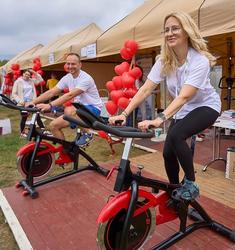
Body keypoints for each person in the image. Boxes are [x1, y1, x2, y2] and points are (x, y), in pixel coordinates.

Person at [109, 12, 221, 201]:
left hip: (206, 106)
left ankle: (191, 185)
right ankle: (174, 189)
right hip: (182, 109)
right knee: (168, 152)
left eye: (175, 28)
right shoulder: (163, 61)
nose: (170, 33)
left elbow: (185, 95)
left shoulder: (199, 61)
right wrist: (125, 113)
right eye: (166, 30)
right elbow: (145, 89)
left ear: (186, 31)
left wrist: (160, 119)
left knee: (177, 135)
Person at [27, 52, 103, 146]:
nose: (70, 66)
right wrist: (32, 102)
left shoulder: (86, 78)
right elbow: (52, 92)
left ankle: (87, 133)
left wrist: (50, 105)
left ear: (80, 64)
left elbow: (69, 95)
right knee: (53, 126)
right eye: (68, 63)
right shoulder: (67, 77)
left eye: (73, 64)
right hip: (78, 110)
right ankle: (66, 151)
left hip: (93, 110)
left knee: (69, 110)